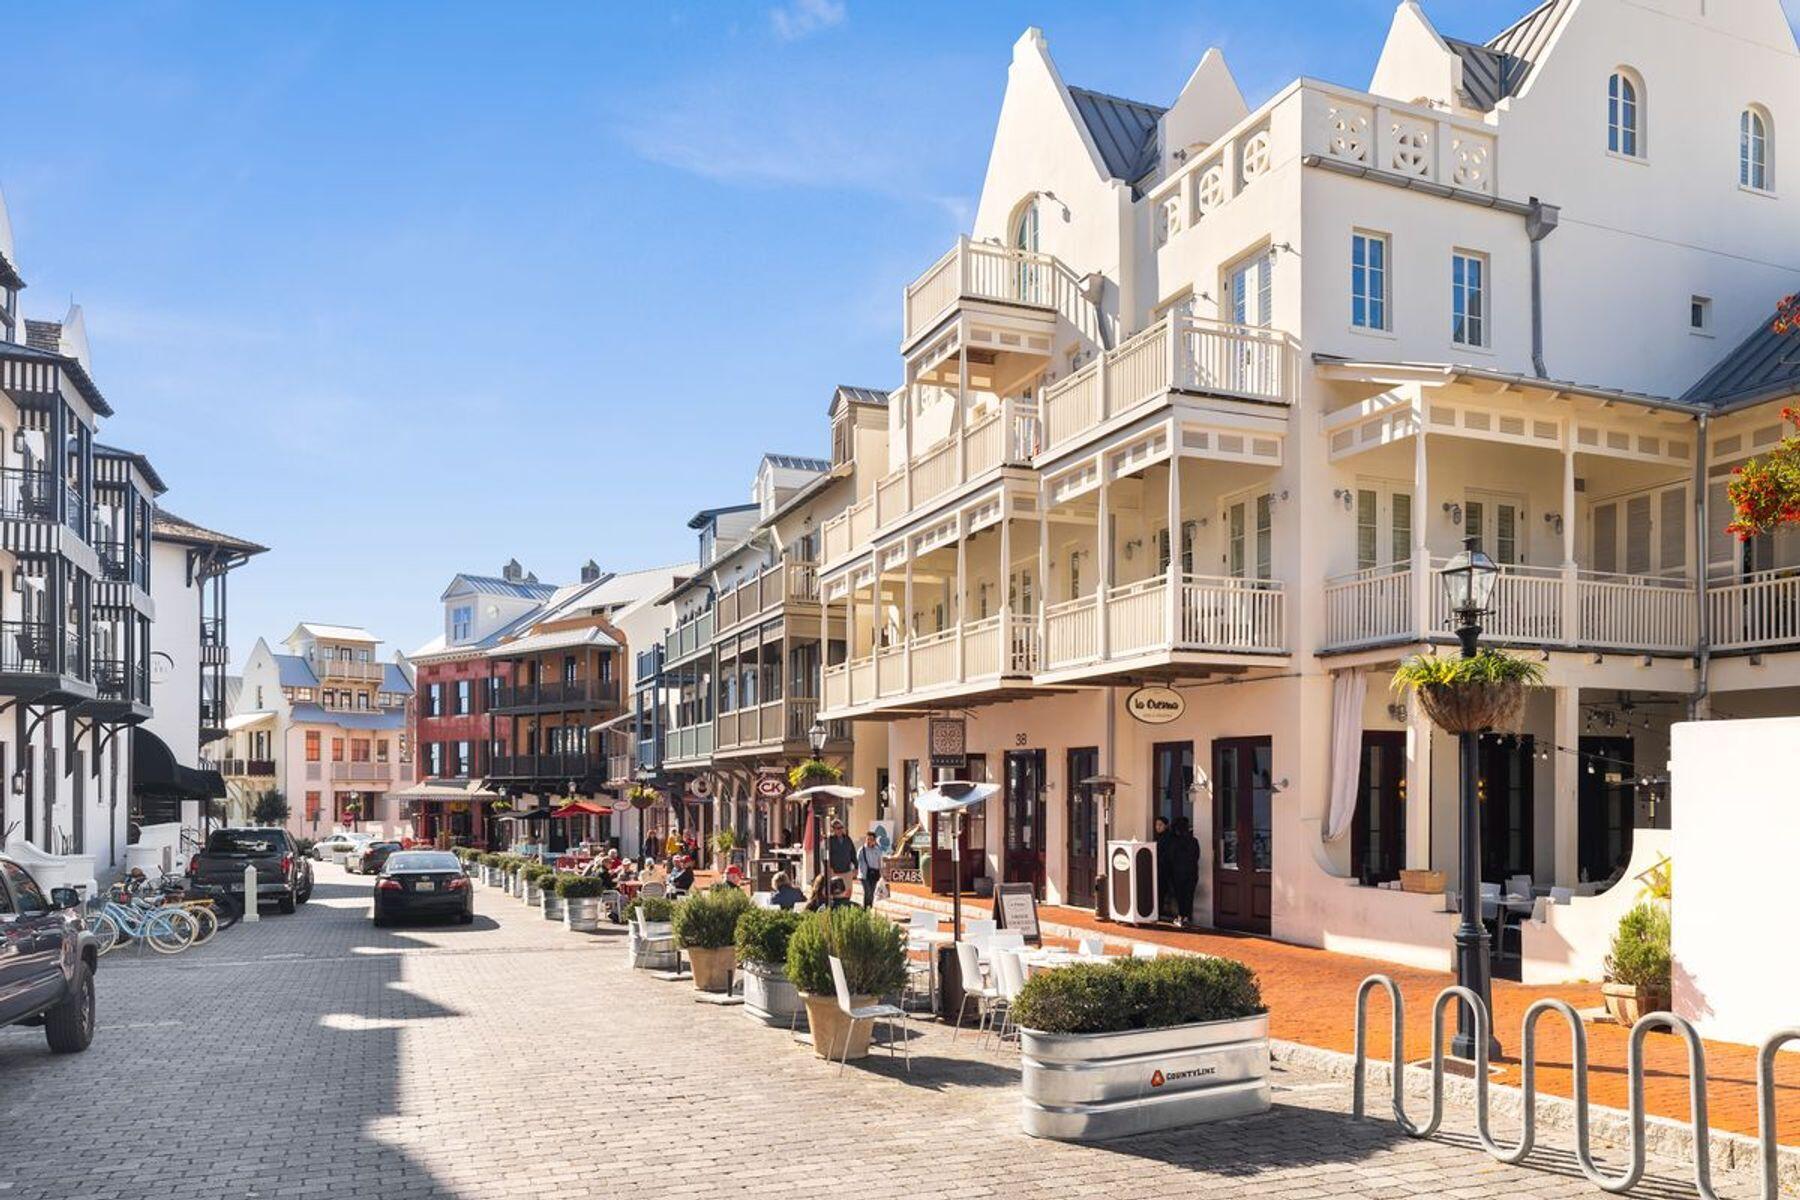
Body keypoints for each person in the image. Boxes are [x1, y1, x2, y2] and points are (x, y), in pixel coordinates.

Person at [1168, 817, 1201, 927]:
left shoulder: (1174, 842)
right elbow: (1197, 856)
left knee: (1180, 896)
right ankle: (1187, 917)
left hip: (1178, 873)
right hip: (1192, 872)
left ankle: (1180, 917)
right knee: (1189, 896)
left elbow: (1171, 857)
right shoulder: (1194, 841)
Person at [855, 830, 885, 908]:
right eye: (868, 839)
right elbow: (857, 861)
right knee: (867, 892)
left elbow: (880, 863)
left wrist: (882, 874)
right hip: (864, 875)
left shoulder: (878, 850)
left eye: (871, 839)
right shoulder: (861, 850)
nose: (869, 841)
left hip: (874, 875)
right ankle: (865, 908)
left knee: (872, 893)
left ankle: (869, 908)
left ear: (874, 840)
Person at [1152, 816, 1174, 920]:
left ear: (1166, 826)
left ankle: (1161, 912)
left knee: (1162, 891)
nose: (1158, 827)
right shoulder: (1158, 837)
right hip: (1158, 869)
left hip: (1165, 870)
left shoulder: (1168, 838)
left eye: (1160, 825)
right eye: (1156, 825)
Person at [824, 818, 856, 890]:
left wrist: (856, 867)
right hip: (835, 871)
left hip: (847, 870)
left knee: (848, 891)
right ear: (833, 829)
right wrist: (829, 867)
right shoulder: (829, 840)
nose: (840, 830)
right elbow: (826, 855)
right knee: (837, 891)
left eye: (841, 827)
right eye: (838, 828)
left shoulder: (848, 839)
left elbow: (853, 853)